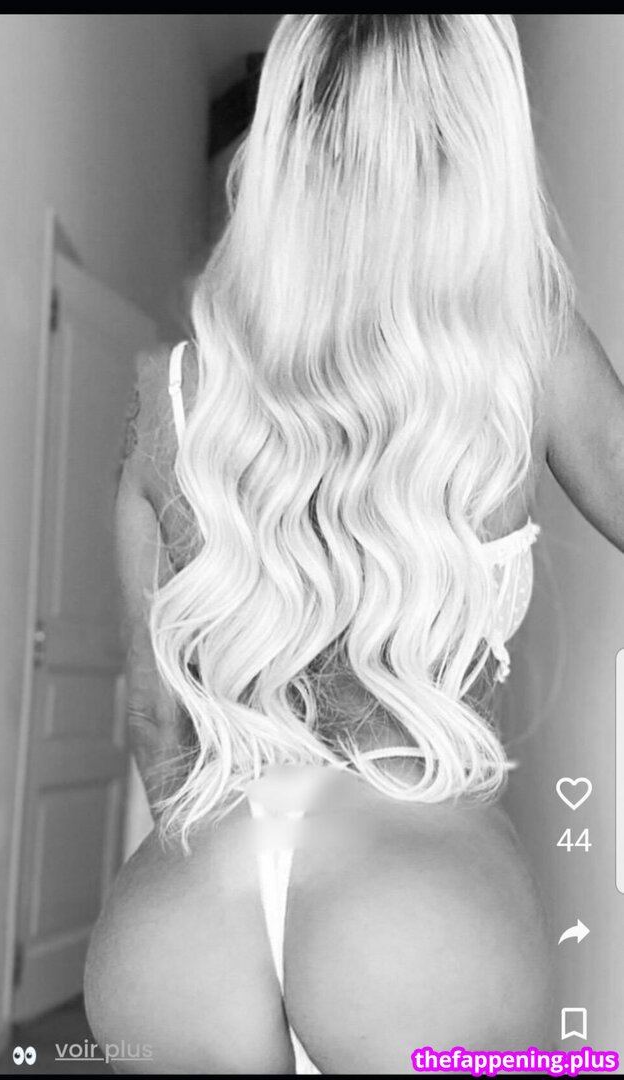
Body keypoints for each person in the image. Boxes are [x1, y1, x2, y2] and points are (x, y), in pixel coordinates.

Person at [84, 15, 624, 1074]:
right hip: (419, 909)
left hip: (181, 919)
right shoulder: (524, 343)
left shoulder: (170, 394)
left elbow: (153, 718)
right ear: (481, 140)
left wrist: (211, 860)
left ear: (282, 142)